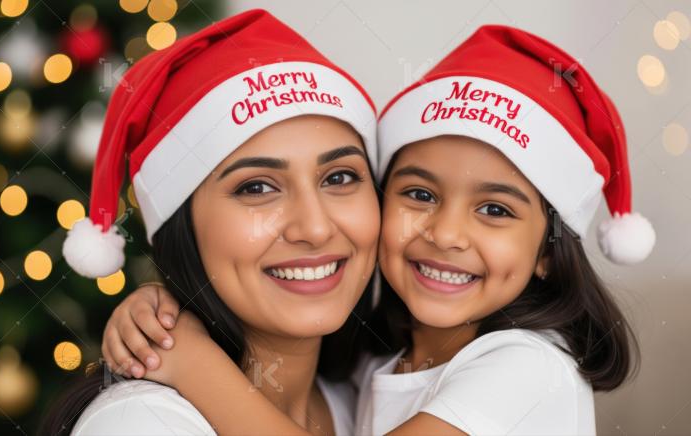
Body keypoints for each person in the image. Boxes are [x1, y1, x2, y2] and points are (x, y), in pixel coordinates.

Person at [105, 25, 655, 435]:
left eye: (495, 210)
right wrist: (167, 307)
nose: (445, 235)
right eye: (419, 195)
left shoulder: (530, 367)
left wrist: (193, 361)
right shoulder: (372, 367)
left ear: (550, 254)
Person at [40, 9, 381, 435]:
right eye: (256, 188)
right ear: (182, 226)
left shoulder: (368, 400)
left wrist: (197, 365)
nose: (314, 228)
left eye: (340, 177)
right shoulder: (141, 423)